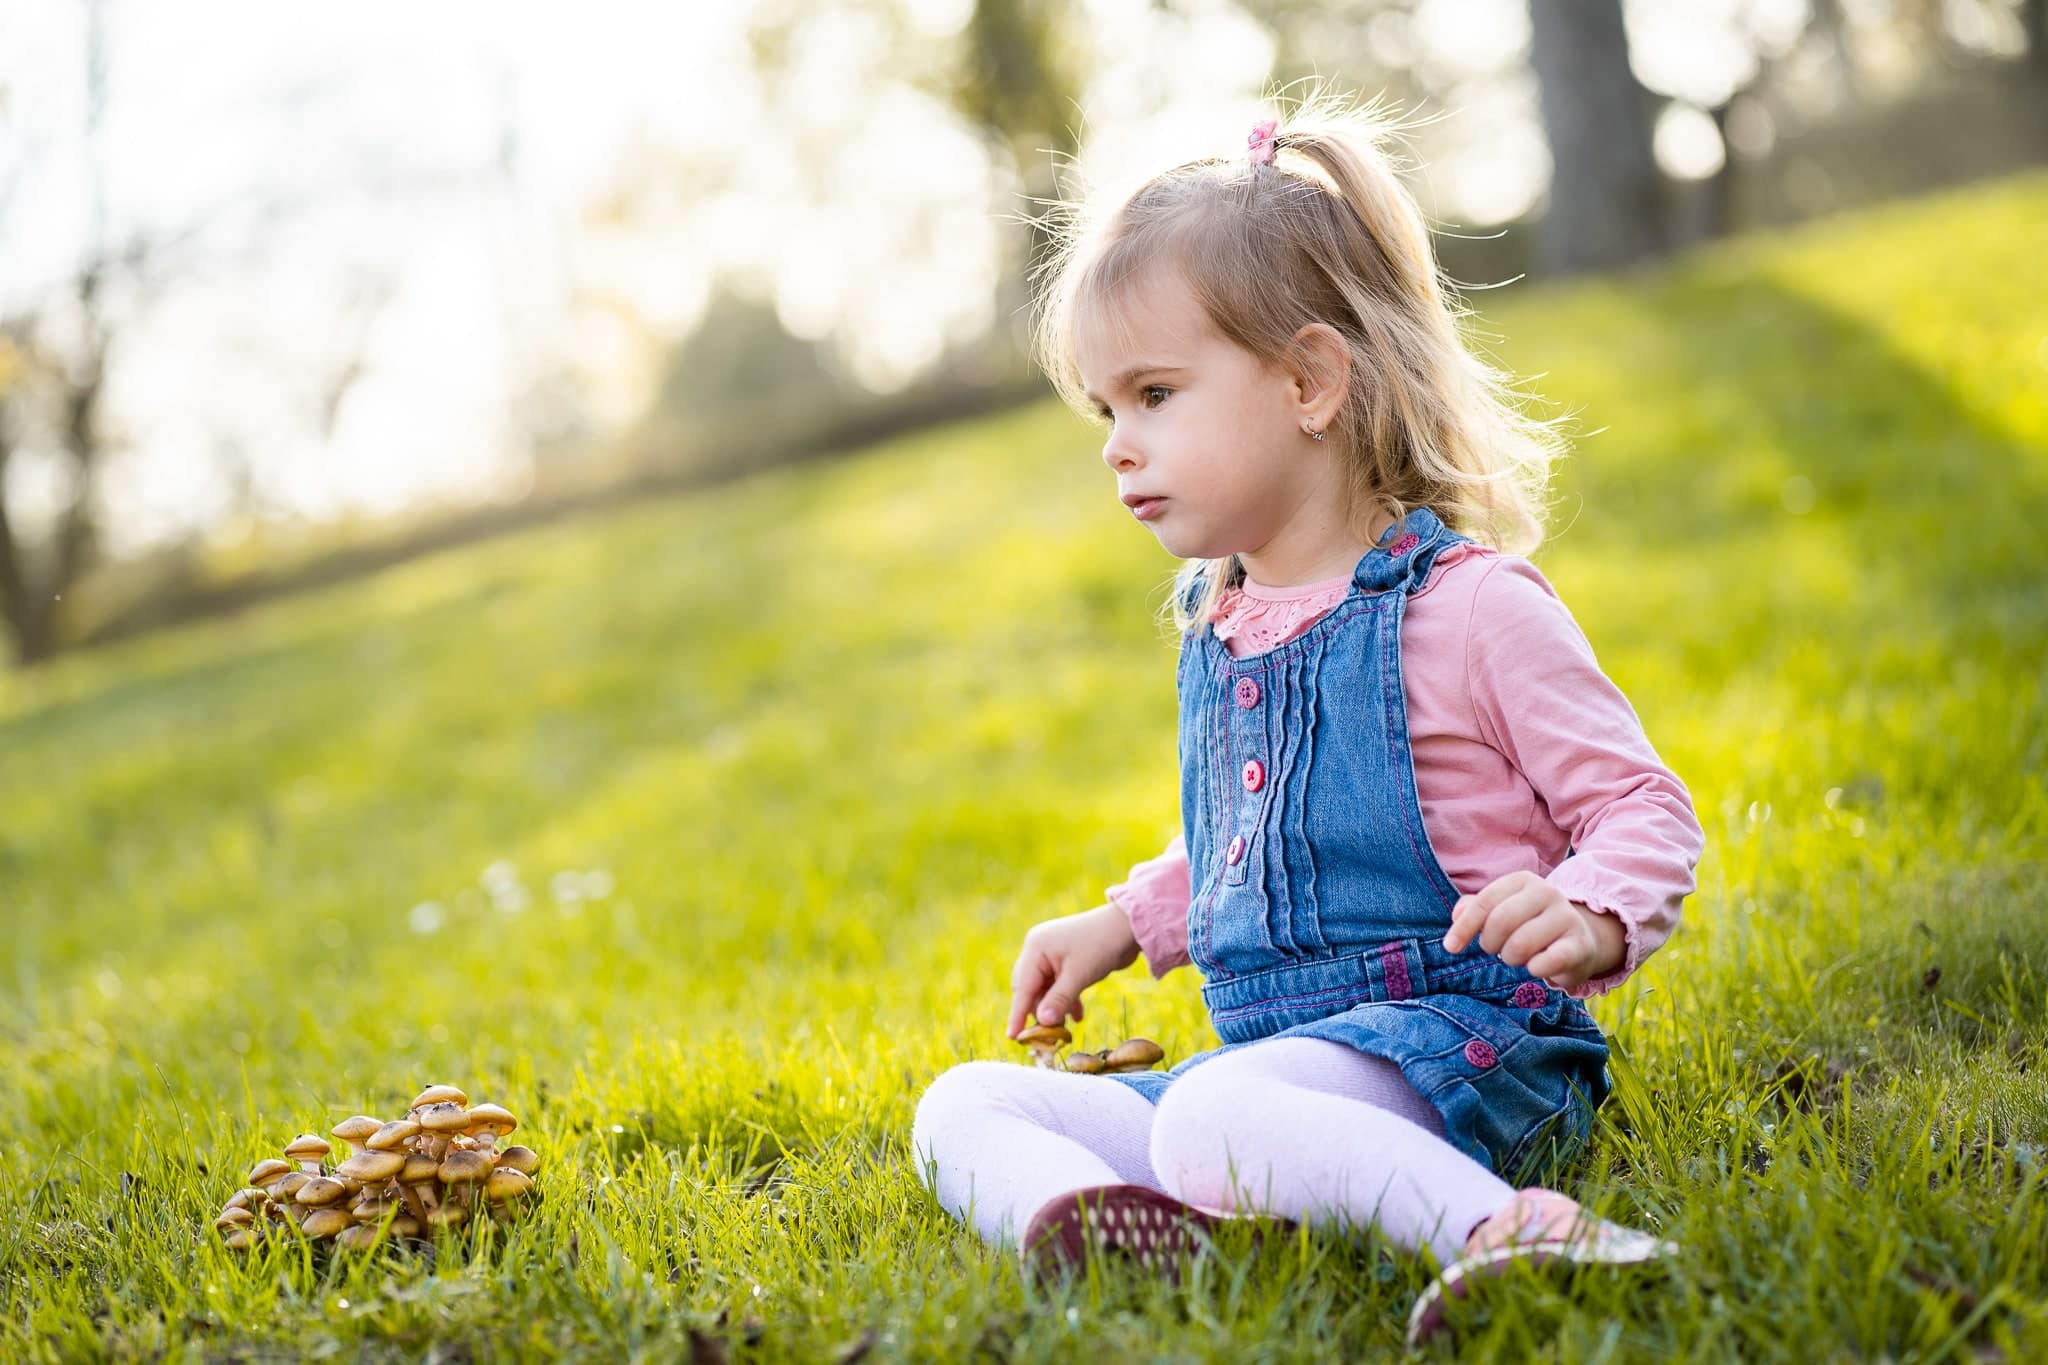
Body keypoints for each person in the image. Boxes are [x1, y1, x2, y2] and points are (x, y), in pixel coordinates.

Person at [909, 89, 1705, 1345]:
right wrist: (1123, 921)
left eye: (1154, 394)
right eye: (1103, 411)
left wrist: (1593, 910)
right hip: (1284, 1073)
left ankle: (1519, 1232)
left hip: (1466, 1049)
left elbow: (1641, 807)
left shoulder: (1467, 609)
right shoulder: (1221, 618)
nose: (1117, 446)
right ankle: (1144, 1235)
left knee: (1220, 1116)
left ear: (1308, 381)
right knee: (962, 1106)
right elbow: (1254, 832)